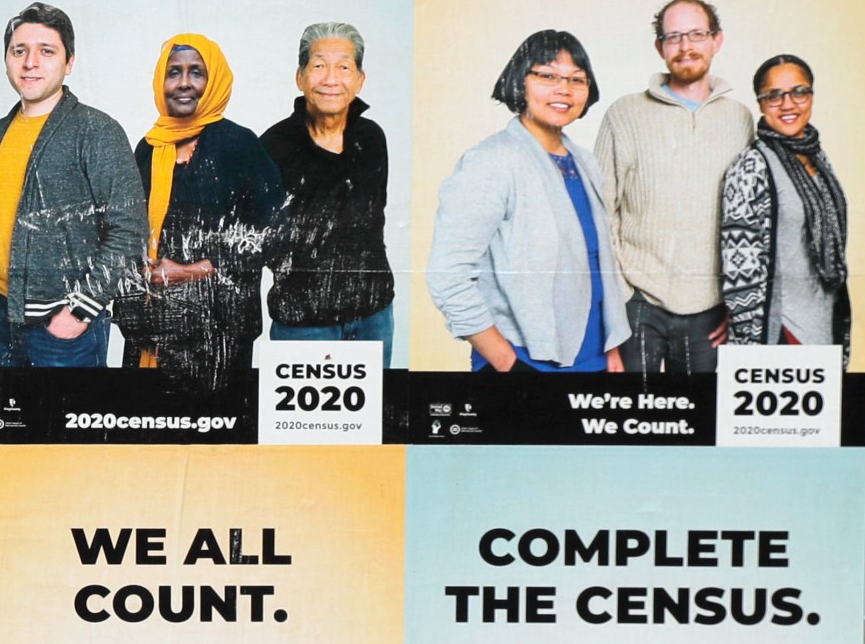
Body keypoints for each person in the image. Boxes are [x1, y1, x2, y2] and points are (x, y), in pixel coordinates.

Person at [427, 30, 632, 373]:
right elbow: (448, 274)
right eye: (548, 75)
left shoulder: (585, 161)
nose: (563, 89)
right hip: (523, 362)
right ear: (520, 80)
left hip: (594, 359)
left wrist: (611, 347)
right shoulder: (492, 160)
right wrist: (506, 362)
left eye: (576, 79)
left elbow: (598, 266)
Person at [0, 3, 148, 368]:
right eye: (19, 51)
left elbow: (130, 229)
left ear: (69, 62)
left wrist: (81, 311)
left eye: (46, 51)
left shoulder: (96, 131)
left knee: (67, 424)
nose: (30, 62)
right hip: (3, 315)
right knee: (15, 423)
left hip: (64, 326)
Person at [597, 0, 756, 373]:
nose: (686, 47)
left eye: (697, 34)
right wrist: (619, 299)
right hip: (636, 304)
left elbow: (753, 220)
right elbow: (600, 210)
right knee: (633, 424)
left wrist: (739, 304)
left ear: (716, 41)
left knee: (700, 426)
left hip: (711, 311)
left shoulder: (741, 119)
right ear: (659, 47)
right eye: (674, 37)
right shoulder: (625, 114)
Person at [127, 35, 287, 392]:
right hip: (153, 323)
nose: (183, 83)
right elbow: (126, 229)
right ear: (160, 81)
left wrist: (190, 271)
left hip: (219, 331)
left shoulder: (239, 145)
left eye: (196, 73)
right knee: (149, 430)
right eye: (174, 73)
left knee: (216, 436)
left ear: (213, 81)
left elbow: (274, 231)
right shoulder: (149, 148)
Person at [261, 23, 395, 365]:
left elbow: (372, 220)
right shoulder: (273, 147)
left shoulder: (371, 138)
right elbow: (258, 237)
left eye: (344, 67)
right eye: (319, 66)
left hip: (373, 316)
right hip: (303, 323)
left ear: (360, 79)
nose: (331, 79)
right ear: (300, 76)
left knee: (376, 417)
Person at [721, 55, 851, 359]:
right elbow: (739, 270)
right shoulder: (751, 167)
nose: (788, 104)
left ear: (811, 96)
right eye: (774, 95)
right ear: (761, 104)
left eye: (799, 92)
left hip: (824, 322)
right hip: (778, 330)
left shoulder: (818, 158)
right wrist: (752, 349)